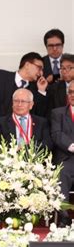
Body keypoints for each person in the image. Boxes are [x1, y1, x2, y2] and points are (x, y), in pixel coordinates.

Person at [0, 52, 48, 127]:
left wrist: (41, 91)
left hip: (21, 131)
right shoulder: (1, 76)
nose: (41, 73)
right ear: (27, 65)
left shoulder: (36, 88)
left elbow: (39, 114)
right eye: (39, 68)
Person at [50, 81, 74, 227]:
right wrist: (72, 146)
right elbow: (57, 134)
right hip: (68, 156)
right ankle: (63, 215)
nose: (73, 95)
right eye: (70, 92)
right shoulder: (57, 113)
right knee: (62, 171)